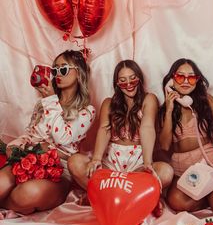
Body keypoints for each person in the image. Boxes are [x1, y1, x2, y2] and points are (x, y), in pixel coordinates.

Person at [68, 60, 174, 215]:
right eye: (123, 81)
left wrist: (147, 163)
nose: (129, 84)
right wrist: (96, 159)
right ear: (117, 83)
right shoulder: (108, 103)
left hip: (138, 164)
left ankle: (104, 197)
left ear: (139, 78)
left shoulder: (149, 99)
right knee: (74, 162)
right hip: (110, 165)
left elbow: (147, 127)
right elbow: (104, 129)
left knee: (166, 172)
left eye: (133, 78)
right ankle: (128, 198)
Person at [0, 49, 96, 214]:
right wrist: (15, 147)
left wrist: (51, 100)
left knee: (27, 193)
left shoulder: (87, 110)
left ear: (79, 73)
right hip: (27, 160)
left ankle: (9, 205)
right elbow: (30, 133)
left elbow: (63, 138)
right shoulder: (43, 103)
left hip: (57, 171)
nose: (57, 74)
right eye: (54, 70)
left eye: (63, 69)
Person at [158, 58, 213, 215]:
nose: (186, 81)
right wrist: (168, 110)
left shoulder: (206, 101)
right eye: (180, 76)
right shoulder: (165, 110)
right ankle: (212, 196)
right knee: (176, 203)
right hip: (182, 169)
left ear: (197, 80)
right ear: (172, 80)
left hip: (208, 162)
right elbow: (165, 145)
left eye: (191, 77)